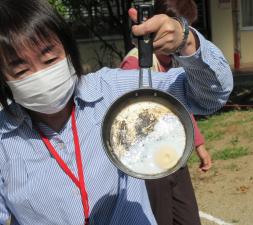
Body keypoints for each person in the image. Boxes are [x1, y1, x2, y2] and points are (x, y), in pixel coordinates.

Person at [0, 0, 233, 225]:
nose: (42, 76)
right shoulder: (3, 140)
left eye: (50, 59)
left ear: (69, 51)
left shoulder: (114, 91)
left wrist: (186, 40)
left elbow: (209, 96)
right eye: (21, 71)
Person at [121, 1, 211, 224]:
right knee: (159, 218)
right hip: (148, 164)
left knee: (188, 218)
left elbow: (182, 107)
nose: (179, 38)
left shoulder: (175, 62)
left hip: (174, 156)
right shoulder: (134, 63)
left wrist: (199, 145)